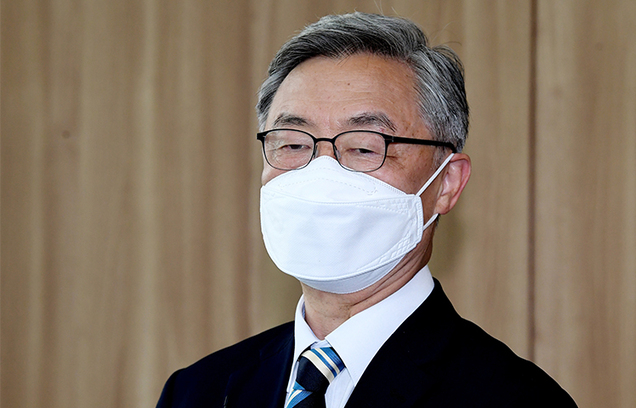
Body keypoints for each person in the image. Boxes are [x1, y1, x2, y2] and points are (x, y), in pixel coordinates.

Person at [156, 12, 577, 408]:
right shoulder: (196, 391)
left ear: (447, 182)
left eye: (363, 147)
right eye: (293, 144)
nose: (321, 174)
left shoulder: (515, 399)